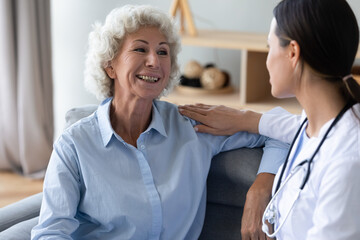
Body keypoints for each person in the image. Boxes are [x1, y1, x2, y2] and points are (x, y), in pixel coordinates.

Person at [31, 5, 288, 240]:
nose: (154, 61)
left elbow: (282, 128)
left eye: (163, 52)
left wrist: (261, 189)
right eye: (140, 49)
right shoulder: (73, 145)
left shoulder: (193, 126)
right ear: (110, 66)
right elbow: (51, 232)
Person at [178, 0, 360, 239]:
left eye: (269, 47)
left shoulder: (347, 161)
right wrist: (244, 118)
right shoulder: (317, 122)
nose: (266, 60)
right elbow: (292, 126)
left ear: (293, 52)